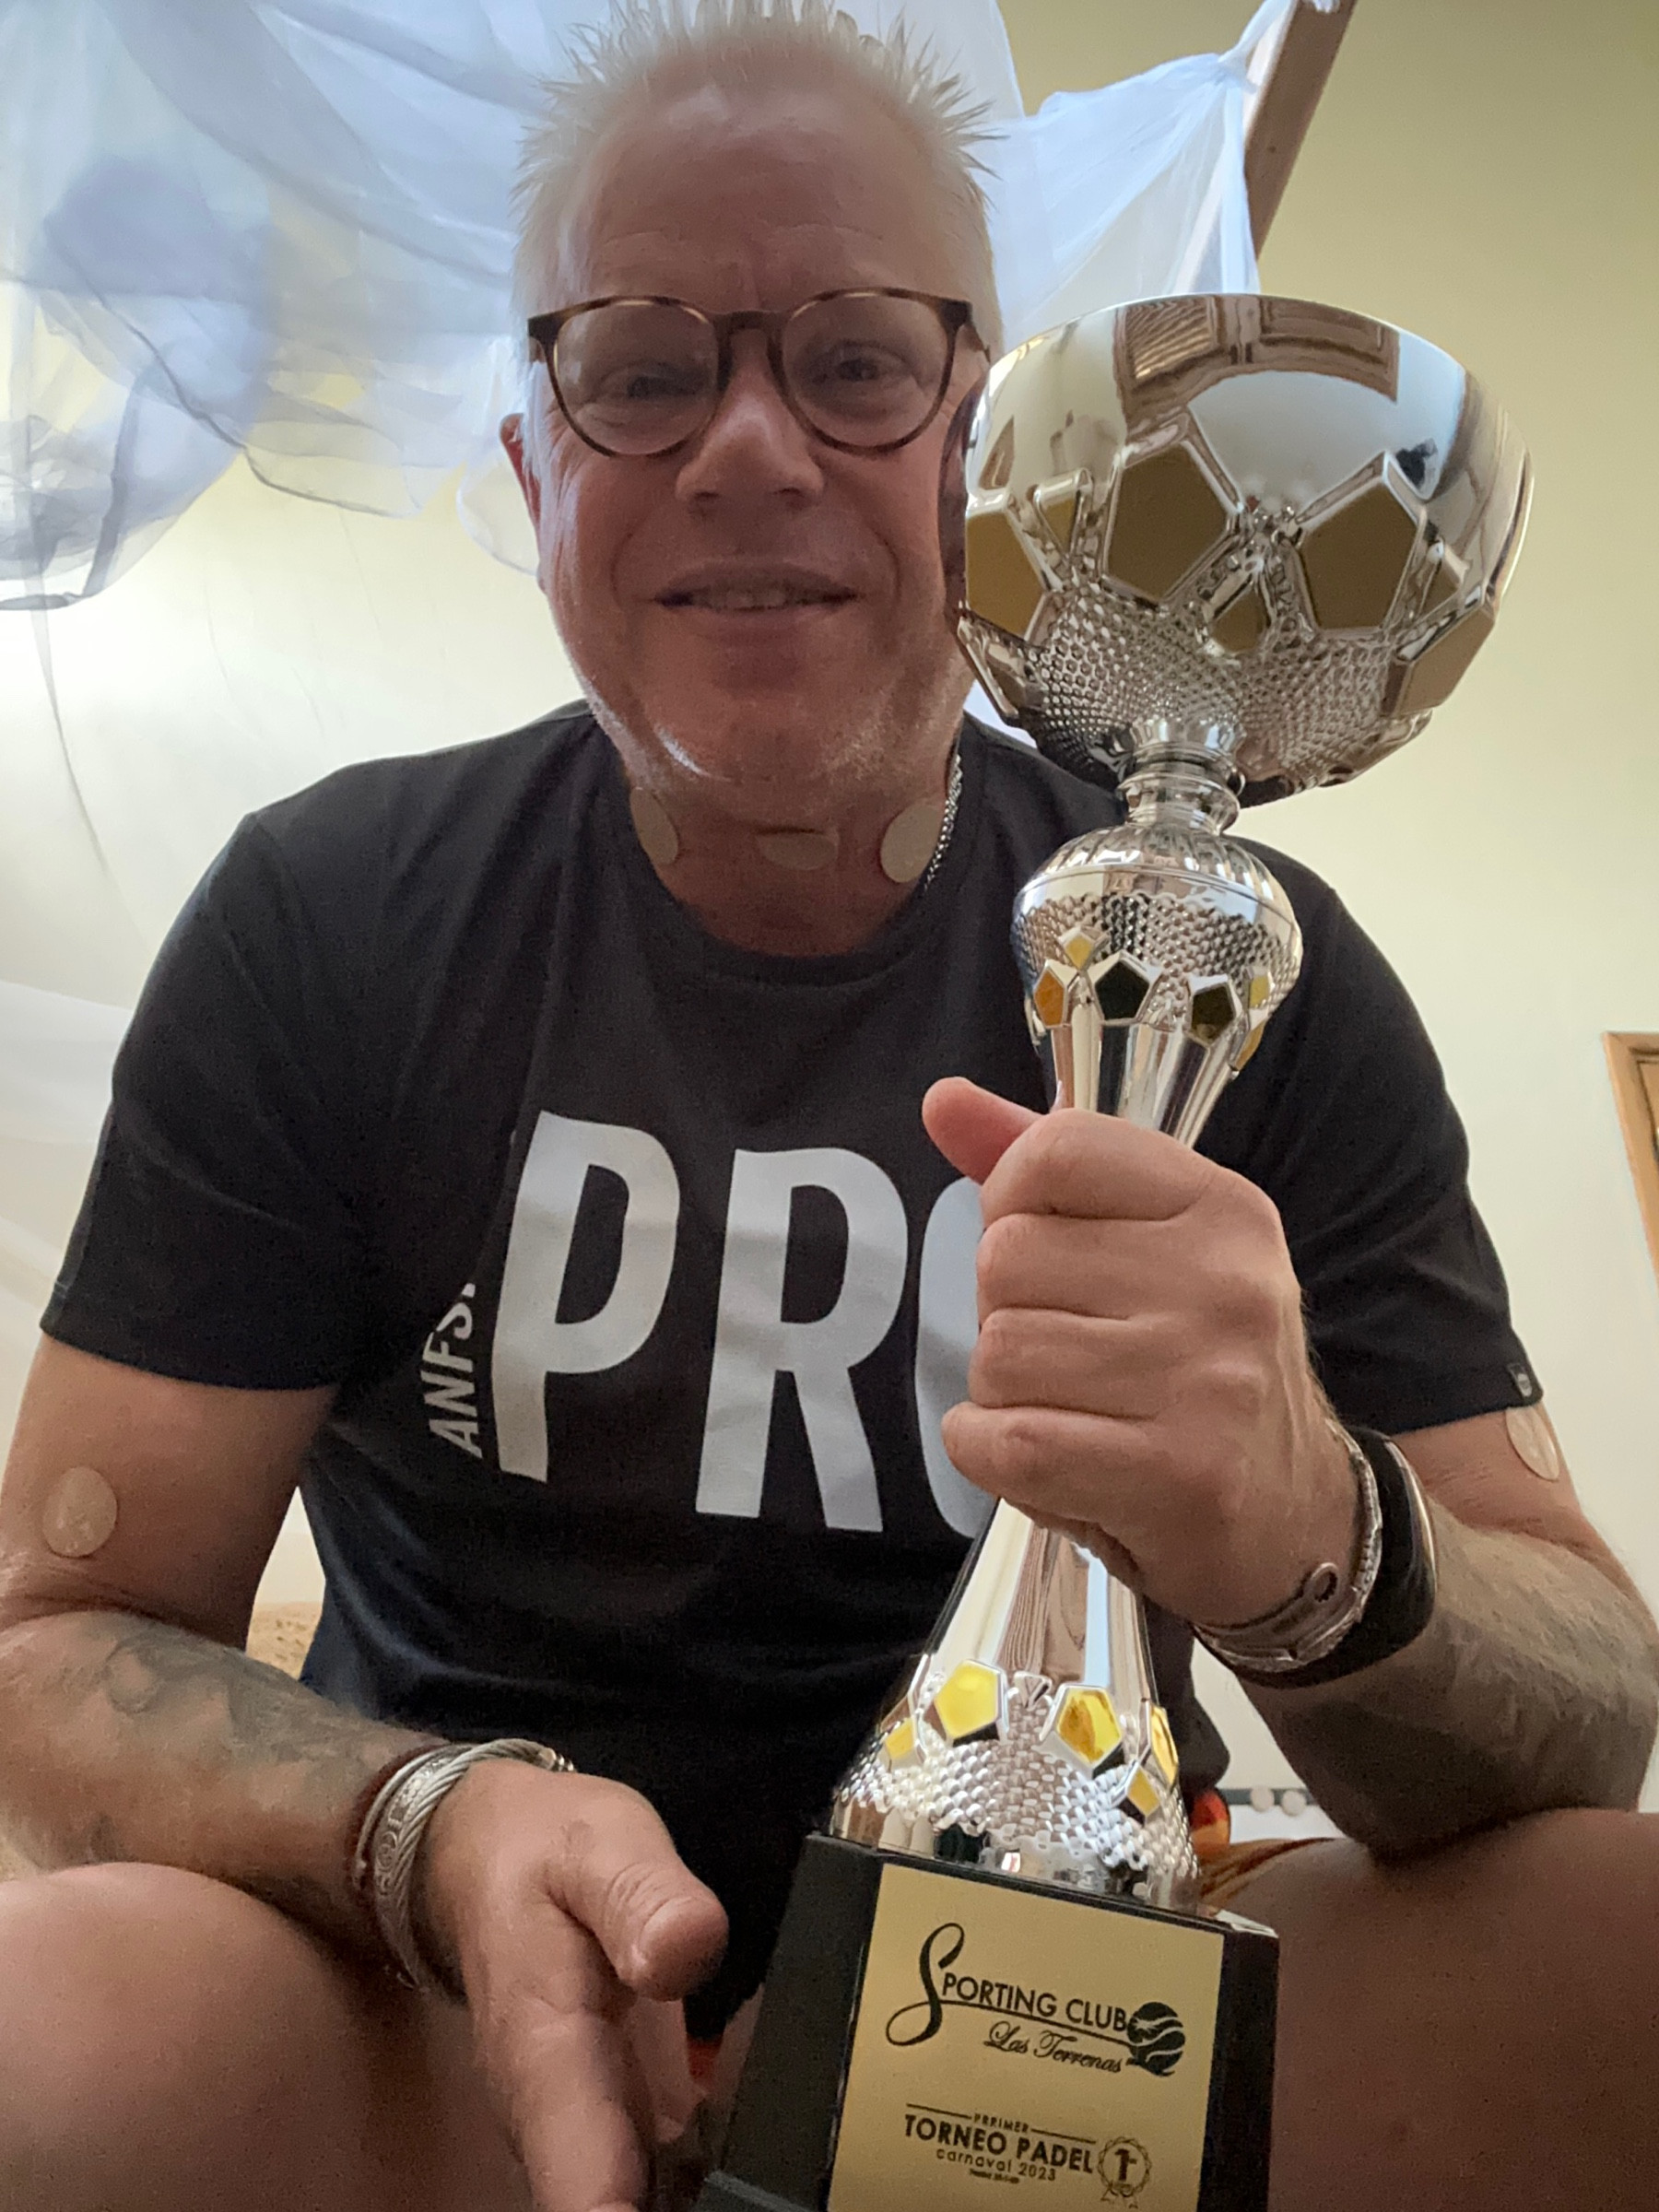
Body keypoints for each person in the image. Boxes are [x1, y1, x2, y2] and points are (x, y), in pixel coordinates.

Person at [1, 7, 1656, 2210]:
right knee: (56, 2029)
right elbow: (59, 1642)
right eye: (640, 371)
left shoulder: (1255, 972)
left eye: (858, 360)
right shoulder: (330, 917)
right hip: (455, 2017)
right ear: (536, 473)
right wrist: (430, 1831)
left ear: (988, 450)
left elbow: (1594, 1700)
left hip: (1062, 2033)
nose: (752, 449)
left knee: (1625, 1950)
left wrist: (1315, 1541)